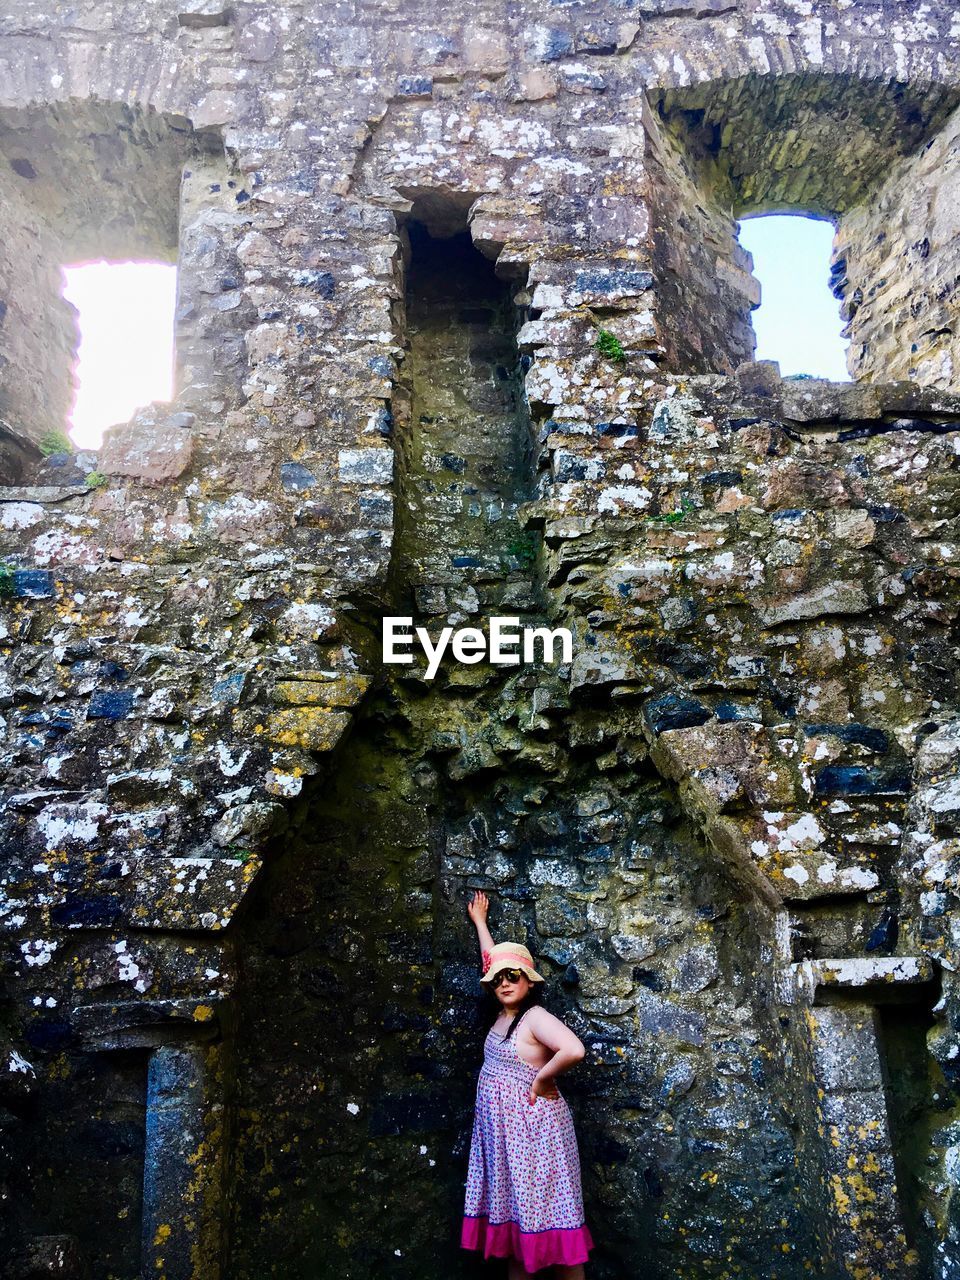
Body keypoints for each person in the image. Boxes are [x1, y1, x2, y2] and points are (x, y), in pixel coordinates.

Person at [461, 889, 594, 1278]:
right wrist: (481, 925)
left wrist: (540, 1079)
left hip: (536, 1136)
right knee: (519, 1228)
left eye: (513, 976)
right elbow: (492, 962)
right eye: (498, 978)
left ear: (530, 981)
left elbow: (573, 1049)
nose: (504, 983)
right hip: (507, 1139)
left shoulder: (534, 1017)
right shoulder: (502, 1015)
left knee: (552, 1218)